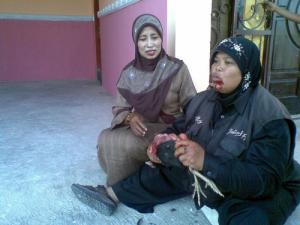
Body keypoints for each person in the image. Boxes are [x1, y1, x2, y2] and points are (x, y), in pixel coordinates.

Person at [71, 36, 300, 224]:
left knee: (252, 218)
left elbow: (262, 181)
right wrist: (162, 140)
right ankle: (110, 194)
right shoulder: (204, 99)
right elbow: (180, 125)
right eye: (215, 61)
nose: (218, 68)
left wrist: (205, 162)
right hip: (209, 175)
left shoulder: (270, 117)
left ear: (247, 71)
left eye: (228, 63)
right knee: (165, 170)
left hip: (258, 188)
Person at [97, 14, 196, 186]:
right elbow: (119, 108)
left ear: (161, 38)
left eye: (154, 37)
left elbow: (193, 105)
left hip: (170, 131)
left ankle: (118, 188)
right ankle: (134, 171)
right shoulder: (129, 73)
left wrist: (188, 133)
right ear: (136, 43)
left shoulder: (177, 68)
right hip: (142, 128)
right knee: (105, 136)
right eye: (143, 39)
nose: (150, 44)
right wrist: (130, 117)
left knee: (126, 143)